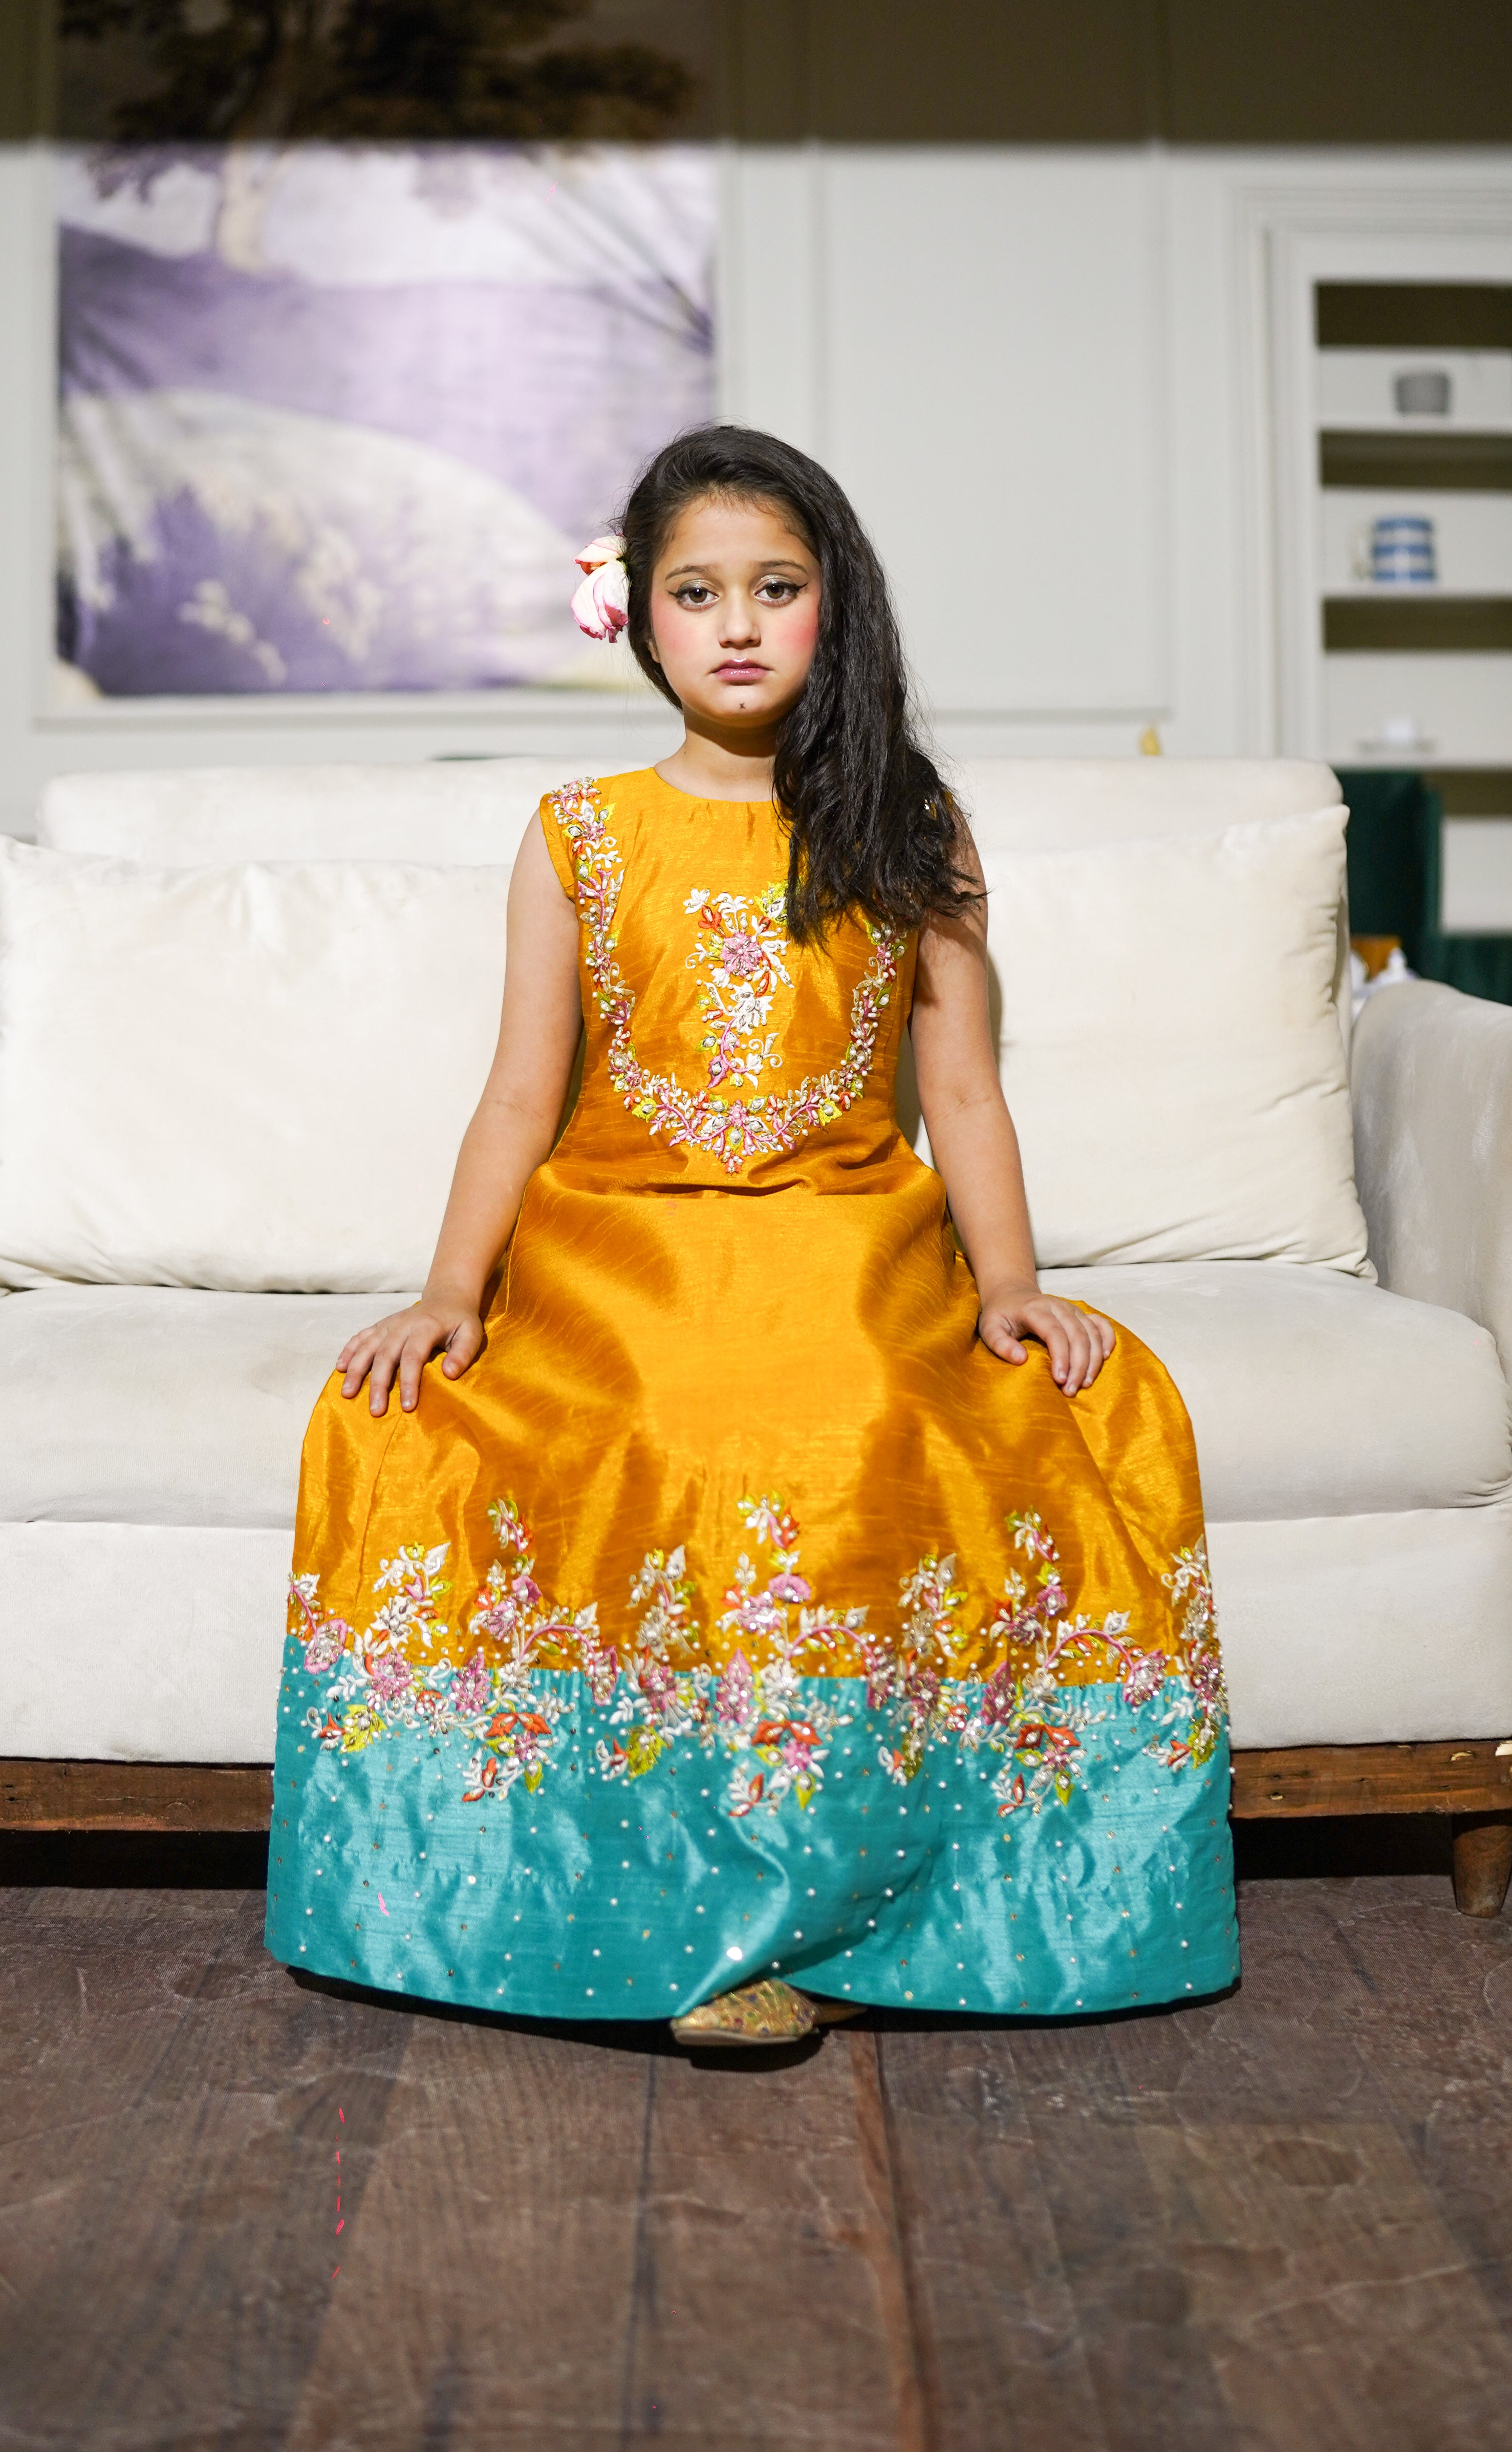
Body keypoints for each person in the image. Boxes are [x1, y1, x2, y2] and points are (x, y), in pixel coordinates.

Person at [265, 428, 1238, 2046]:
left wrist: (1011, 1286)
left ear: (834, 606)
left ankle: (844, 1910)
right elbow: (518, 1094)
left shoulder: (908, 825)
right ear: (639, 616)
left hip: (847, 1243)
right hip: (617, 1249)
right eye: (697, 591)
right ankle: (654, 1914)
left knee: (862, 1414)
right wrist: (448, 1292)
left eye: (777, 589)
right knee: (651, 1420)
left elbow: (963, 1090)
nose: (736, 625)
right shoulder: (577, 833)